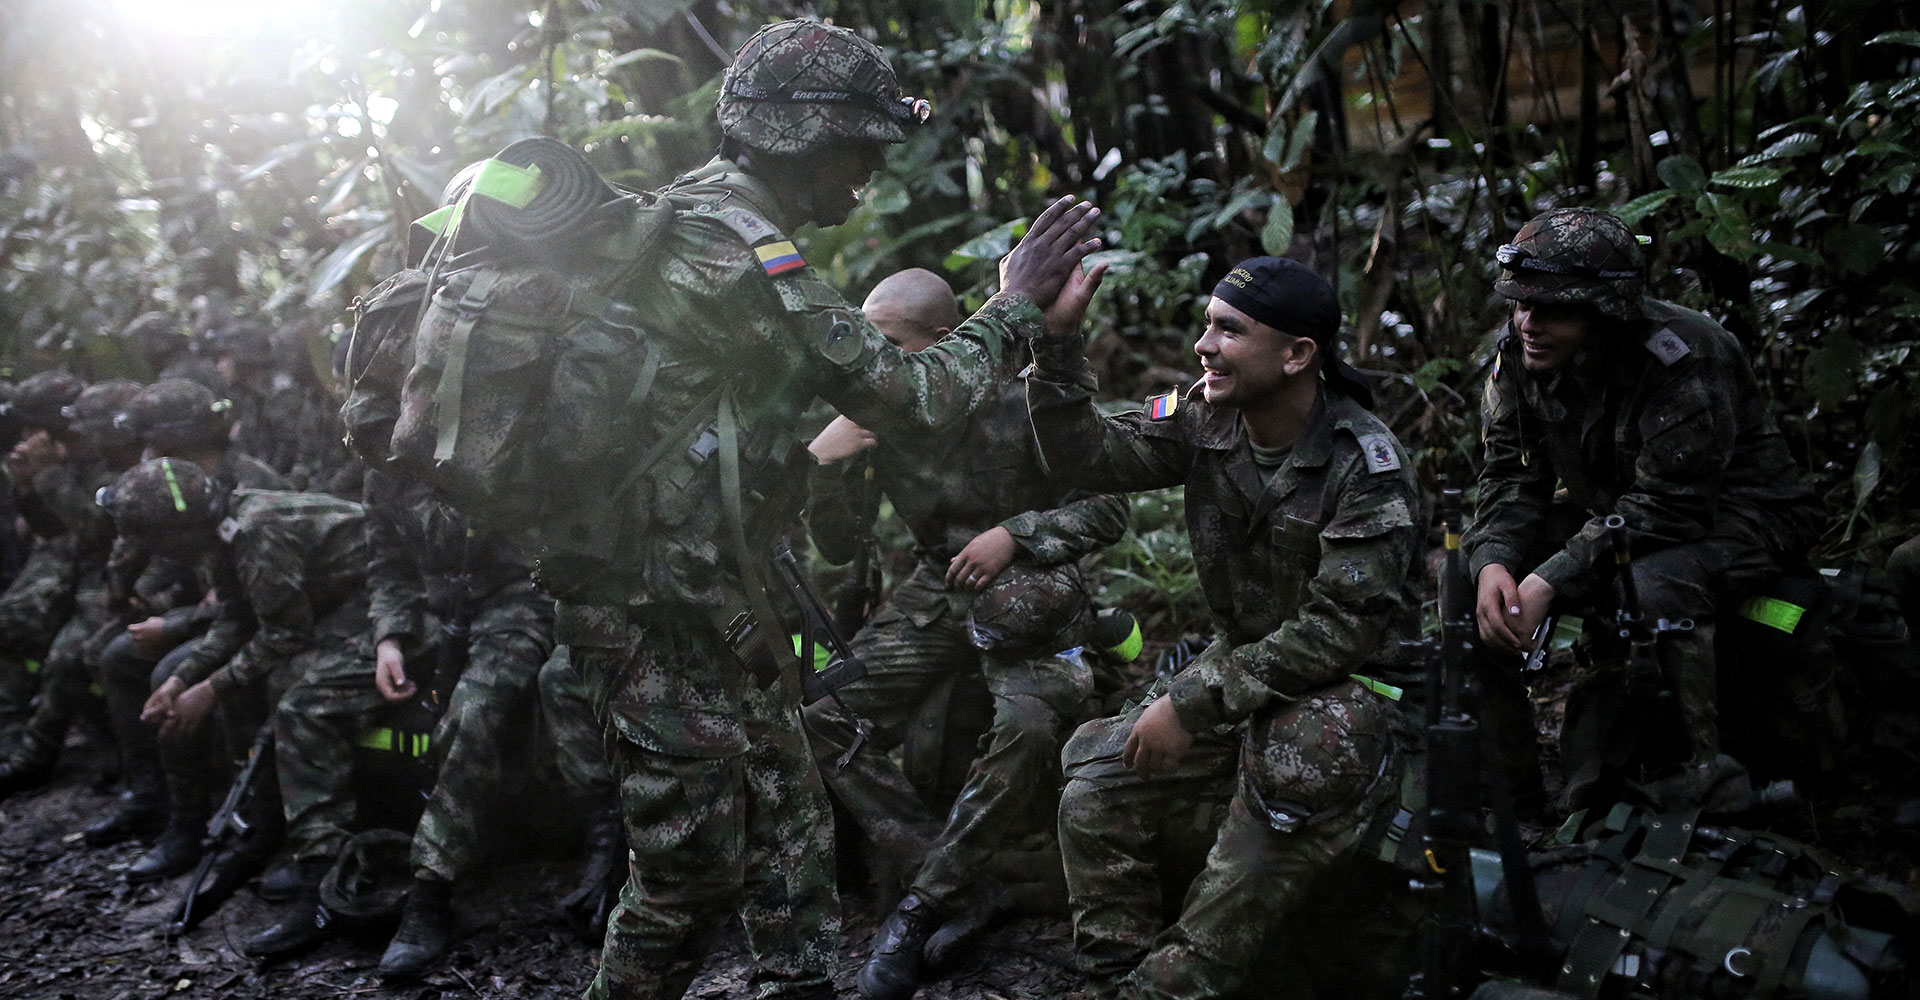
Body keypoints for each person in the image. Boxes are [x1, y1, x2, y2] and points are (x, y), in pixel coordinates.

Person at [538, 19, 1100, 1000]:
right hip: (652, 610)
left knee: (792, 822)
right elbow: (913, 398)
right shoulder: (736, 250)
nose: (866, 180)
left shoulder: (689, 217)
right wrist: (1013, 303)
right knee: (684, 878)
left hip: (715, 596)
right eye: (861, 154)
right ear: (811, 141)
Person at [1031, 256, 1423, 1000]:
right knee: (1096, 784)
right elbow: (1083, 451)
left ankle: (1170, 984)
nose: (1204, 346)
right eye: (1207, 326)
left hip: (1348, 692)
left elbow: (1338, 632)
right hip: (1242, 667)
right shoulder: (1204, 414)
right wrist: (1056, 342)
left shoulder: (1364, 465)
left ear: (1298, 354)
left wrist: (1189, 702)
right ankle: (1112, 973)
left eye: (1229, 330)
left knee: (1288, 776)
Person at [800, 268, 1128, 1000]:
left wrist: (1016, 534)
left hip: (1029, 597)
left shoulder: (1019, 400)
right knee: (822, 720)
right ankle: (950, 881)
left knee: (1030, 727)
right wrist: (824, 467)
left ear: (945, 342)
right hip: (934, 593)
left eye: (890, 345)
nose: (874, 363)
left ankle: (919, 910)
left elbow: (1107, 510)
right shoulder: (876, 416)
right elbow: (836, 547)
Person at [1462, 206, 1822, 812]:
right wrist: (1494, 562)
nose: (1529, 322)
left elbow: (1672, 505)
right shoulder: (1520, 357)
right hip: (1616, 513)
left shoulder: (1683, 357)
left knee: (1649, 585)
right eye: (1520, 304)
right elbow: (1510, 473)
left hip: (1738, 520)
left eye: (1553, 308)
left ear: (1607, 312)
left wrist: (1551, 579)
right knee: (1466, 590)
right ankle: (1514, 793)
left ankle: (1700, 776)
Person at [107, 459, 385, 955]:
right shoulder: (224, 531)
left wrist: (208, 689)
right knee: (249, 683)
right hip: (339, 604)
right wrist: (180, 680)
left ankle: (321, 879)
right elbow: (237, 620)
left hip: (388, 605)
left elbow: (284, 633)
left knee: (301, 705)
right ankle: (267, 828)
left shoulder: (255, 532)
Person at [361, 467, 554, 979]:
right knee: (318, 692)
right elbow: (387, 564)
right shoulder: (381, 470)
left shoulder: (485, 442)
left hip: (520, 598)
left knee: (470, 714)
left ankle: (431, 890)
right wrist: (389, 638)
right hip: (434, 609)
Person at [0, 377, 143, 797]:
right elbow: (53, 528)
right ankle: (11, 741)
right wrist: (26, 484)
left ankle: (34, 756)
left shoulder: (122, 462)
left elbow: (98, 529)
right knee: (11, 626)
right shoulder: (77, 461)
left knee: (71, 653)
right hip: (83, 575)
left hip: (127, 579)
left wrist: (48, 474)